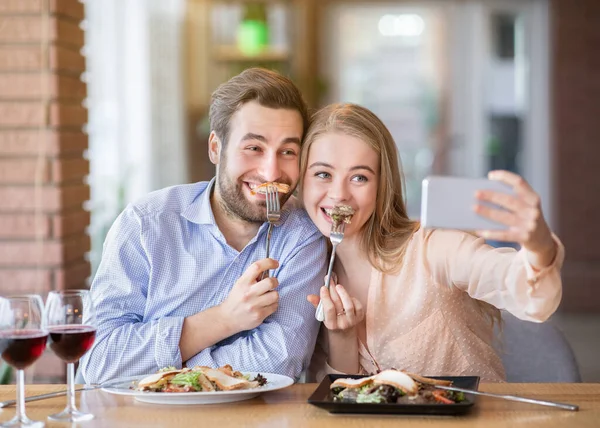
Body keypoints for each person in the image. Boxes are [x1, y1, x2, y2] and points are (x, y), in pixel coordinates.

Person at [80, 68, 328, 384]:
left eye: (288, 151)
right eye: (253, 147)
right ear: (215, 148)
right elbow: (99, 362)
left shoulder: (302, 237)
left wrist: (157, 369)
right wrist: (223, 320)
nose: (271, 171)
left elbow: (278, 363)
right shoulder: (146, 224)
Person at [301, 103, 563, 382]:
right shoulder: (305, 276)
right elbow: (345, 404)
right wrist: (342, 339)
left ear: (381, 188)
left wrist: (540, 246)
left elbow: (533, 297)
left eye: (359, 177)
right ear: (301, 181)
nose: (339, 194)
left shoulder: (431, 251)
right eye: (323, 174)